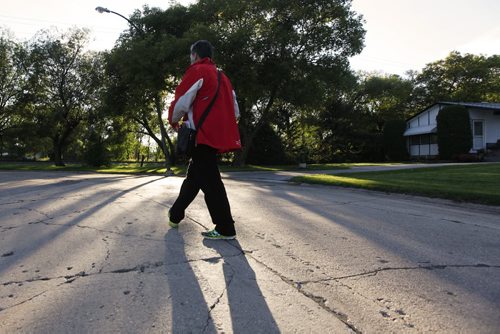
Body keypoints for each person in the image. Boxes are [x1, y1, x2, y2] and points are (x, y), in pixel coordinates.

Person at [167, 40, 241, 240]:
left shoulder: (197, 71)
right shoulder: (223, 77)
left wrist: (173, 120)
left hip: (202, 135)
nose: (190, 59)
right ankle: (175, 214)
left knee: (211, 182)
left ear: (195, 54)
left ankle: (226, 228)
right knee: (195, 177)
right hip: (217, 135)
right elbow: (235, 110)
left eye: (191, 55)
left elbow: (182, 100)